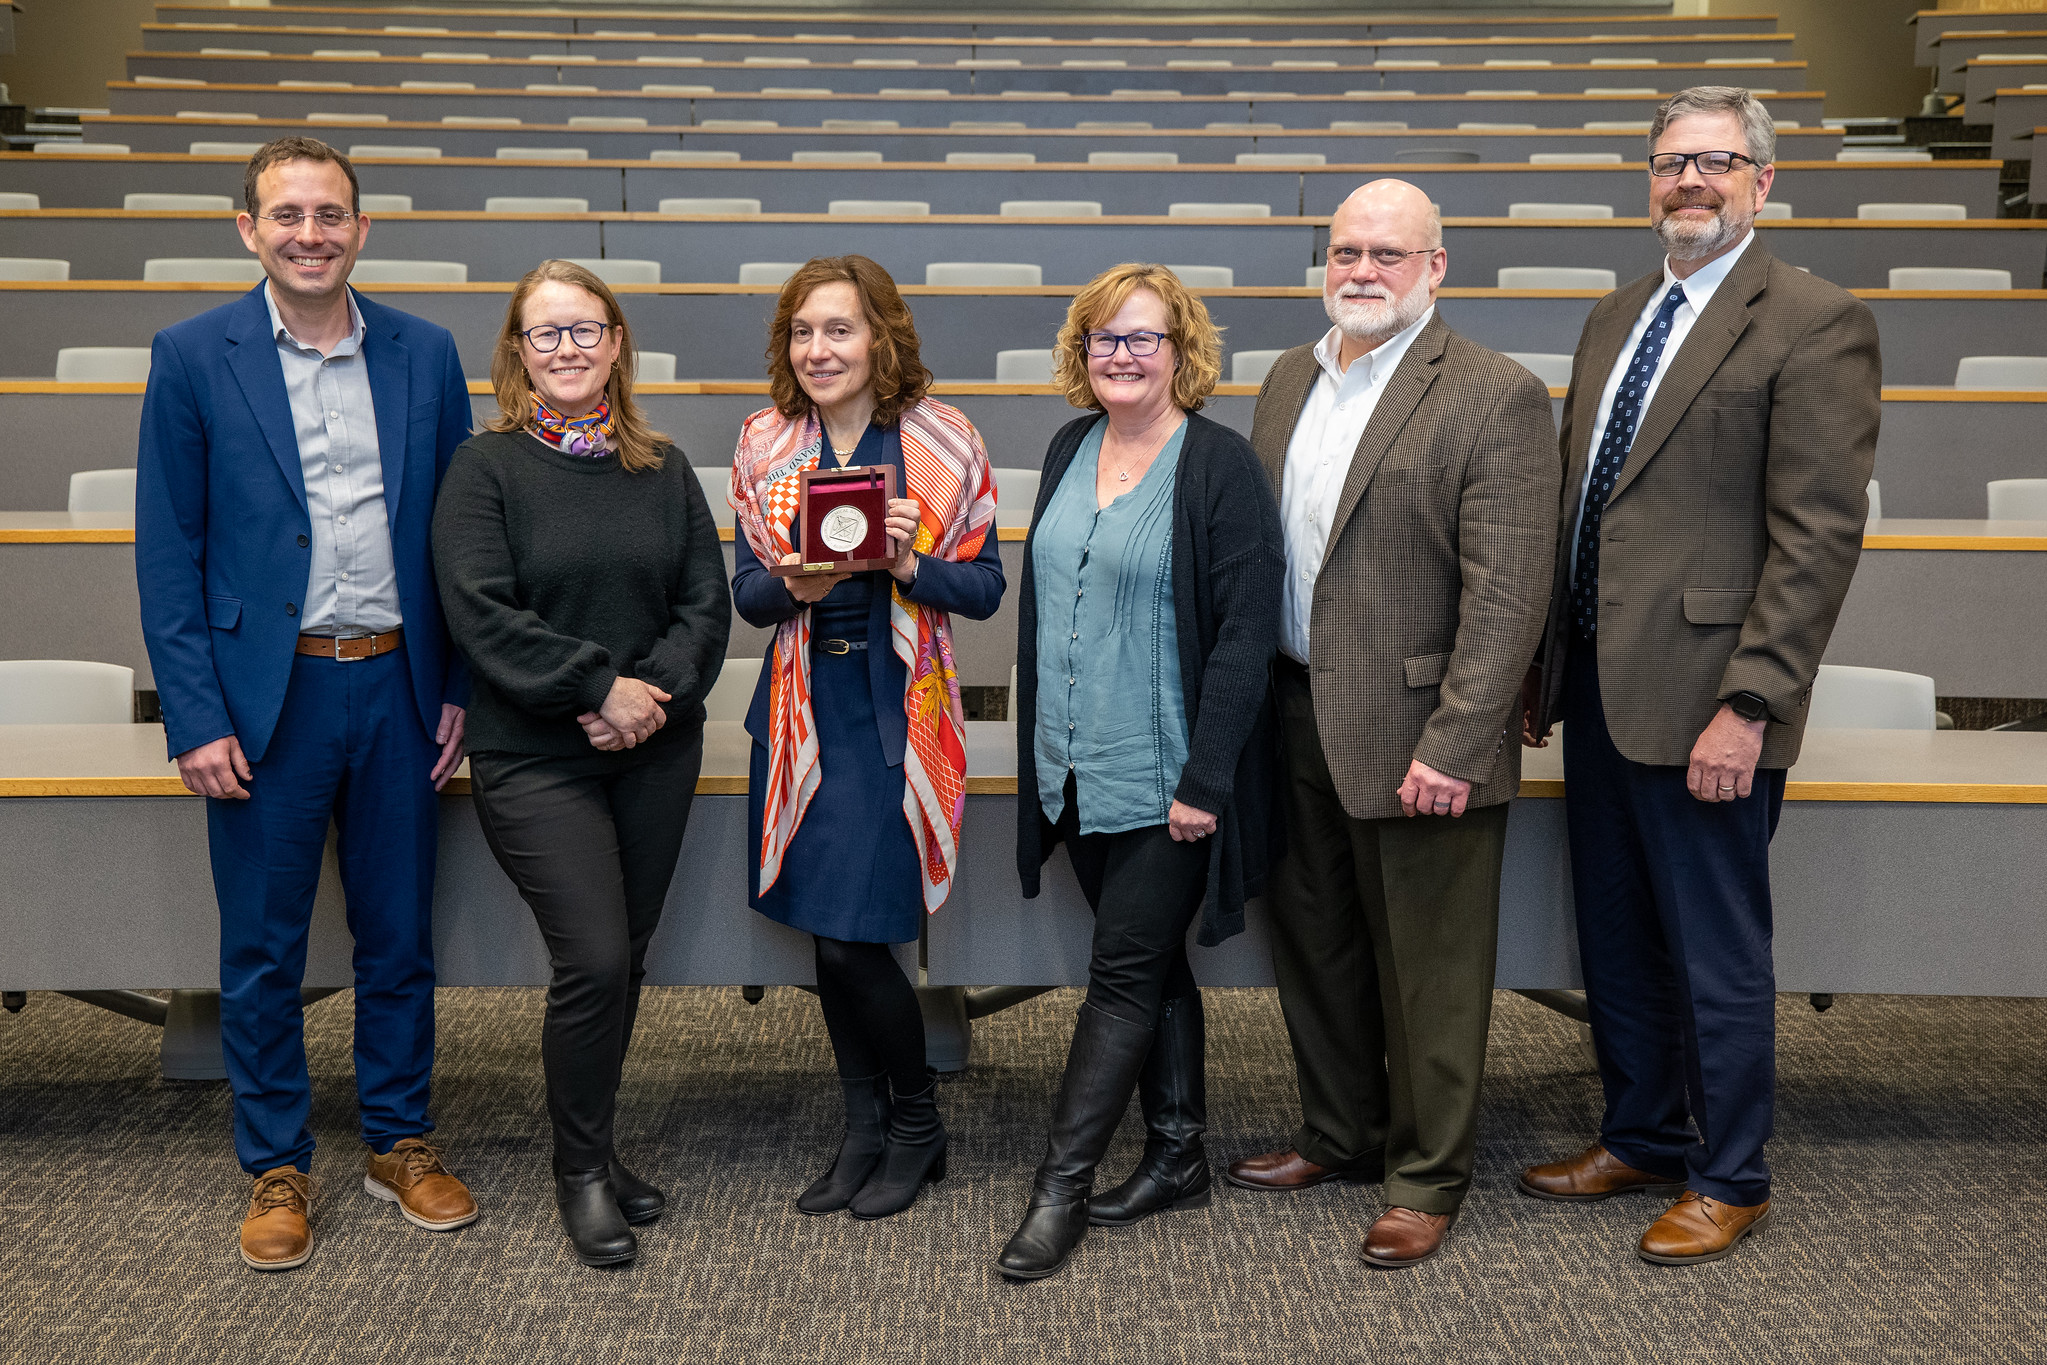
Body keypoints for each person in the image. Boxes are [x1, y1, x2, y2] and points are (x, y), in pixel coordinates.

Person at [1519, 88, 1880, 1265]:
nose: (1688, 183)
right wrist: (1546, 664)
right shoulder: (1614, 315)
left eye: (1714, 164)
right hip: (1602, 689)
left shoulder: (1814, 321)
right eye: (1671, 163)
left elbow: (1816, 535)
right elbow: (1585, 509)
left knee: (1714, 953)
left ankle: (1731, 1173)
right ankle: (1641, 1135)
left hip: (1712, 697)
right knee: (1616, 938)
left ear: (1760, 183)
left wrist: (1752, 702)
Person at [135, 137, 476, 1272]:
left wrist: (458, 684)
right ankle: (276, 1162)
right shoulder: (191, 356)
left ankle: (399, 1139)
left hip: (394, 681)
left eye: (330, 213)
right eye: (286, 214)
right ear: (249, 230)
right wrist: (193, 715)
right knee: (263, 949)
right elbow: (166, 551)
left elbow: (463, 543)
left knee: (398, 938)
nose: (310, 233)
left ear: (362, 229)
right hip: (260, 698)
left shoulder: (426, 357)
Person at [1224, 182, 1562, 1268]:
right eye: (1344, 251)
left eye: (1386, 253)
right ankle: (1341, 1132)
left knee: (1430, 968)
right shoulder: (1287, 379)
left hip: (1422, 729)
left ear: (1436, 267)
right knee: (1316, 945)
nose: (1361, 270)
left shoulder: (1493, 394)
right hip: (1292, 707)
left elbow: (1508, 595)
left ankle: (1426, 1174)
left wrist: (1459, 742)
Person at [432, 260, 730, 1267]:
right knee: (594, 959)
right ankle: (580, 1175)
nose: (566, 349)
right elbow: (481, 612)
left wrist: (648, 698)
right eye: (543, 333)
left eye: (584, 330)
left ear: (616, 342)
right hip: (534, 757)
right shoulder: (486, 469)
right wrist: (598, 688)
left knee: (627, 959)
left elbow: (703, 605)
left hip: (652, 751)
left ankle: (598, 1149)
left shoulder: (664, 465)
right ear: (517, 351)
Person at [1000, 263, 1284, 1281]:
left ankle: (1058, 1188)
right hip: (1072, 768)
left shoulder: (1217, 466)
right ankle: (1176, 1153)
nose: (1122, 356)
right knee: (1154, 965)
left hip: (1167, 777)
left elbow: (1246, 637)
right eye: (1103, 340)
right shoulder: (1071, 445)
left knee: (1117, 976)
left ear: (1181, 352)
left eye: (1143, 339)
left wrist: (1206, 780)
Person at [729, 256, 1005, 1222]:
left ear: (881, 338)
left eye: (838, 330)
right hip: (801, 709)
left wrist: (906, 560)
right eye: (802, 332)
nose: (818, 350)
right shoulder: (764, 442)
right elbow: (745, 593)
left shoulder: (942, 441)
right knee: (828, 935)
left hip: (899, 707)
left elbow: (983, 588)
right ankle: (863, 1129)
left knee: (856, 943)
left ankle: (918, 1124)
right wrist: (792, 584)